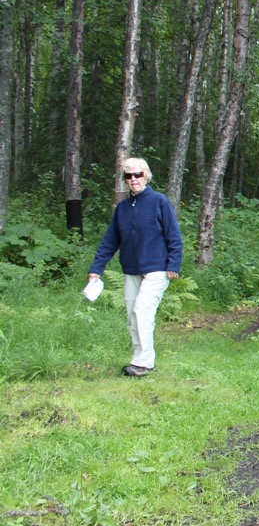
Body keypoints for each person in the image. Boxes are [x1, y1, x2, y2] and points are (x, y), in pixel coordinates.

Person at [88, 158, 184, 377]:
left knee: (143, 311)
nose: (133, 180)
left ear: (146, 176)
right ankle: (137, 358)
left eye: (137, 175)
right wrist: (96, 269)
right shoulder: (122, 208)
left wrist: (173, 264)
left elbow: (174, 236)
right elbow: (110, 241)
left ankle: (145, 363)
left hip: (157, 269)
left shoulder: (159, 201)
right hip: (131, 269)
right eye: (128, 176)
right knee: (133, 315)